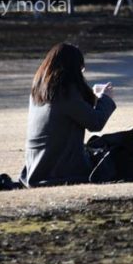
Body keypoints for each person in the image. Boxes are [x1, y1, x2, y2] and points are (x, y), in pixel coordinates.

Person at [19, 42, 116, 187]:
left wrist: (95, 98)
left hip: (36, 166)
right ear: (73, 69)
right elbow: (95, 123)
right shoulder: (64, 92)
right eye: (81, 69)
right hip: (60, 169)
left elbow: (75, 114)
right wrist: (106, 98)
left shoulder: (40, 91)